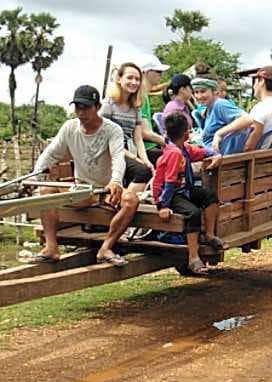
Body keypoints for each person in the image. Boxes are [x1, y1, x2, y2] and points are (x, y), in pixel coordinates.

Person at [33, 85, 152, 267]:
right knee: (45, 190)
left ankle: (106, 248)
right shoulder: (69, 128)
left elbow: (118, 158)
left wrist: (115, 181)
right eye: (78, 107)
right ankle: (51, 247)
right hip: (82, 190)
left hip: (106, 190)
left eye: (86, 107)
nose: (81, 112)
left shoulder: (112, 130)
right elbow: (51, 154)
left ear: (97, 107)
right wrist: (35, 175)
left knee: (131, 200)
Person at [153, 113, 226, 275]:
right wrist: (162, 206)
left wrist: (216, 155)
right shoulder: (174, 153)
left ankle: (209, 234)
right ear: (186, 133)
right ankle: (193, 257)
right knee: (193, 213)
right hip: (170, 195)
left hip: (184, 190)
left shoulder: (184, 149)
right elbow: (169, 183)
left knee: (210, 196)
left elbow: (201, 151)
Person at [103, 62, 166, 167]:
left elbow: (138, 139)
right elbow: (105, 139)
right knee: (143, 172)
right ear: (119, 79)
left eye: (137, 79)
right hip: (112, 153)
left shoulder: (136, 106)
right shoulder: (109, 104)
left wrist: (146, 162)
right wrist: (136, 159)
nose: (134, 82)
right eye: (130, 78)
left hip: (131, 150)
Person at [212, 65, 272, 152]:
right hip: (267, 157)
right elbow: (246, 119)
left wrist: (219, 134)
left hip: (254, 160)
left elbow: (249, 147)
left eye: (255, 82)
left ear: (262, 81)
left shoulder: (263, 108)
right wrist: (219, 133)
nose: (254, 86)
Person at [196, 76, 244, 145]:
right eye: (196, 92)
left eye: (203, 91)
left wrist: (219, 134)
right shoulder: (209, 108)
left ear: (215, 91)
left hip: (224, 154)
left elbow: (246, 119)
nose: (199, 96)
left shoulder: (220, 104)